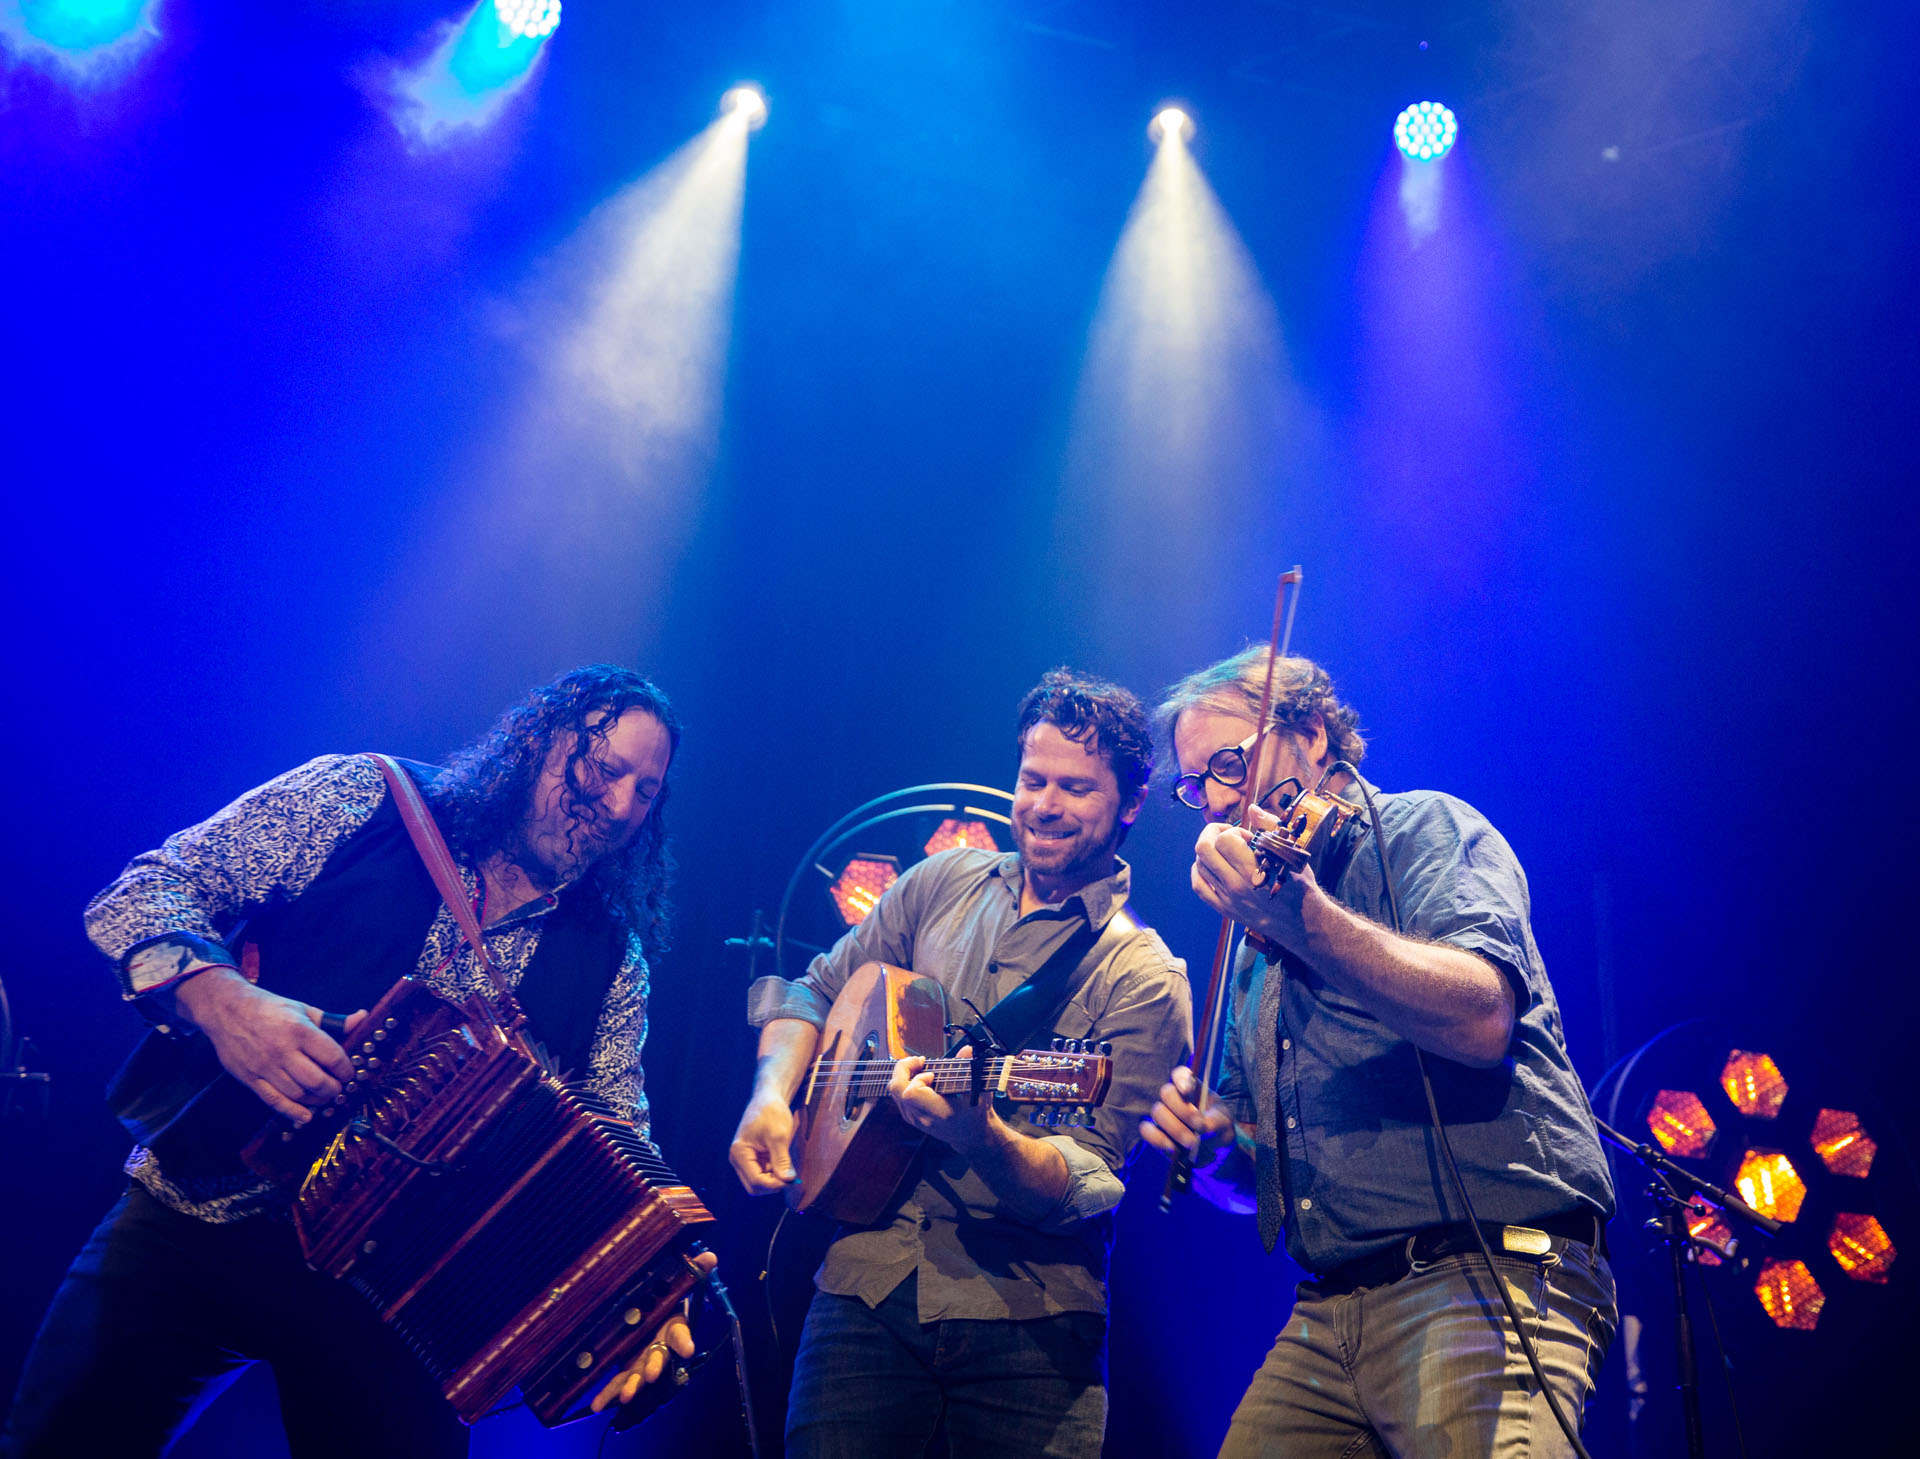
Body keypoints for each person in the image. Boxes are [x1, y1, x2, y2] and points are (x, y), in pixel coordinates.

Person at [2, 665, 707, 1459]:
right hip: (197, 1215)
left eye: (644, 792)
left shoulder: (614, 958)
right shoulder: (361, 798)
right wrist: (221, 999)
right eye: (602, 768)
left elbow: (612, 1146)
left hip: (394, 1288)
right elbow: (144, 890)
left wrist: (650, 1293)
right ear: (535, 744)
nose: (618, 805)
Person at [1141, 648, 1617, 1458]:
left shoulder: (1422, 828)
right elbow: (1260, 1184)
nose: (1218, 799)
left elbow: (1485, 1017)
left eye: (1230, 763)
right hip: (1330, 1310)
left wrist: (1305, 920)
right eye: (1198, 785)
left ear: (1313, 735)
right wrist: (1220, 1148)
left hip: (1488, 1276)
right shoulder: (1254, 942)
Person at [730, 669, 1191, 1459]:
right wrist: (771, 1097)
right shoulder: (942, 880)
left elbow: (1086, 1183)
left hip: (1031, 1330)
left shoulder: (1145, 976)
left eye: (1076, 787)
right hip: (865, 1289)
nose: (1044, 804)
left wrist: (984, 1138)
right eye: (1032, 778)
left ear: (1131, 804)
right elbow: (812, 993)